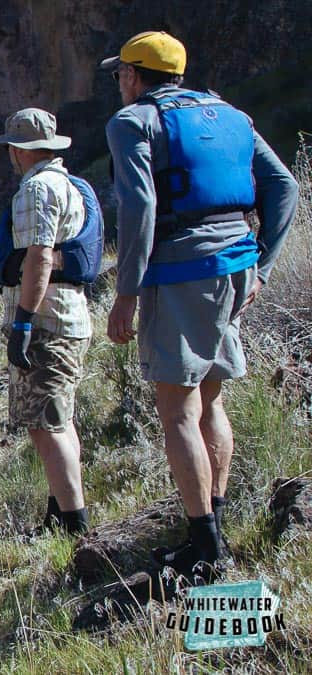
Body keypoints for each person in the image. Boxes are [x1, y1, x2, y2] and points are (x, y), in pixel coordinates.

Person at [101, 31, 299, 581]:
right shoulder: (232, 115)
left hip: (182, 275)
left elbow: (139, 207)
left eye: (121, 73)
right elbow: (283, 186)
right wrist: (262, 263)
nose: (119, 82)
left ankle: (204, 546)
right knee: (210, 401)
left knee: (178, 412)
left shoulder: (133, 123)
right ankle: (211, 518)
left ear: (135, 77)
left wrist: (126, 292)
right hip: (234, 269)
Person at [0, 108, 93, 536]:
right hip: (68, 317)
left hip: (47, 321)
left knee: (48, 424)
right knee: (56, 419)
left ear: (20, 150)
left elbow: (39, 256)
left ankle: (75, 526)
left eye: (11, 148)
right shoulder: (69, 184)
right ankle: (60, 510)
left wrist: (23, 321)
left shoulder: (37, 189)